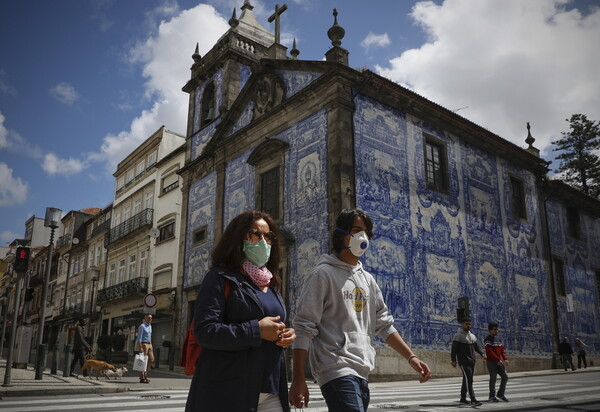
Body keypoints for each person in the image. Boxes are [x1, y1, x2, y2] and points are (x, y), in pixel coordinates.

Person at [289, 209, 431, 412]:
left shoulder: (368, 280)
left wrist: (411, 357)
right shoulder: (322, 275)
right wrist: (298, 379)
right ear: (340, 234)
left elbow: (383, 324)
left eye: (366, 232)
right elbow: (303, 326)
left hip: (362, 370)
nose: (362, 237)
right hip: (335, 368)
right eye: (356, 230)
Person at [185, 210, 295, 412]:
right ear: (237, 239)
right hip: (228, 392)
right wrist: (257, 331)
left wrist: (285, 335)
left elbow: (273, 327)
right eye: (254, 234)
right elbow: (205, 331)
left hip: (271, 390)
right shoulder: (219, 278)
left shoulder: (271, 284)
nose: (263, 241)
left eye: (268, 236)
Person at [451, 317, 486, 406]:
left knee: (466, 379)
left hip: (472, 361)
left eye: (469, 324)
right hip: (463, 362)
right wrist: (453, 360)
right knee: (469, 380)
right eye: (467, 324)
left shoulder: (472, 336)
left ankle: (463, 398)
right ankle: (473, 400)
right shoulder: (458, 336)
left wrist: (482, 354)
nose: (468, 325)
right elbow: (454, 349)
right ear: (462, 324)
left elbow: (477, 347)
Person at [484, 322, 509, 402]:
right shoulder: (488, 339)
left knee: (505, 377)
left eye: (497, 329)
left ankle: (500, 394)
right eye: (494, 329)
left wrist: (505, 359)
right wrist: (498, 360)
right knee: (493, 378)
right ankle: (491, 396)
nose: (496, 331)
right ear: (490, 330)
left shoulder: (498, 340)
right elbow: (489, 352)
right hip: (491, 362)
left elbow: (502, 351)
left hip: (499, 362)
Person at [135, 314, 154, 383]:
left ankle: (144, 374)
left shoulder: (150, 326)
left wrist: (151, 344)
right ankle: (143, 377)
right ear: (145, 318)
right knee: (143, 361)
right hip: (144, 344)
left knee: (151, 359)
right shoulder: (142, 326)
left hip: (149, 344)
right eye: (149, 318)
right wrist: (140, 347)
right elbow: (139, 338)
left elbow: (149, 336)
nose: (150, 319)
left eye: (151, 318)